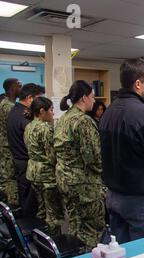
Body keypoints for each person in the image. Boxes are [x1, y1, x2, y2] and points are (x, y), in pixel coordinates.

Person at [99, 58, 144, 244]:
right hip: (140, 200)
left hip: (114, 196)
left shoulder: (109, 111)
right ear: (138, 84)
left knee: (122, 254)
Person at [54, 80, 105, 249]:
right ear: (84, 98)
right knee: (92, 229)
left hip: (65, 181)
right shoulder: (83, 121)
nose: (94, 100)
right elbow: (93, 158)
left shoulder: (63, 119)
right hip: (84, 185)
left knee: (75, 225)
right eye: (92, 97)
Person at [24, 97, 64, 236]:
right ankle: (55, 244)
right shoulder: (45, 128)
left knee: (41, 211)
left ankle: (40, 240)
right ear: (42, 111)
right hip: (47, 176)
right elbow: (52, 155)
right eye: (51, 110)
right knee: (53, 214)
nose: (53, 113)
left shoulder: (29, 126)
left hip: (33, 173)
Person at [6, 83, 45, 217]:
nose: (40, 104)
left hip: (18, 160)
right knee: (30, 202)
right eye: (38, 99)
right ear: (30, 98)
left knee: (26, 197)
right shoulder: (24, 117)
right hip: (25, 162)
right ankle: (30, 230)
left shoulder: (14, 111)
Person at [0, 78, 21, 208]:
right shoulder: (8, 107)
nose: (21, 88)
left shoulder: (6, 104)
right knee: (9, 178)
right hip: (7, 148)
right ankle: (12, 207)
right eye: (19, 86)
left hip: (6, 146)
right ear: (12, 88)